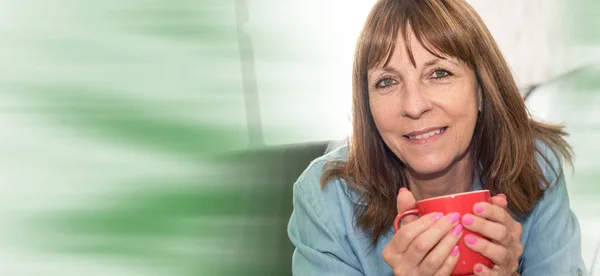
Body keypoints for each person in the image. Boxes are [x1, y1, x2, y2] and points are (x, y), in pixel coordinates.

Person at [287, 0, 588, 275]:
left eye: (439, 73)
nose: (414, 106)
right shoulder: (325, 198)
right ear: (367, 106)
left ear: (482, 90)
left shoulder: (534, 164)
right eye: (387, 81)